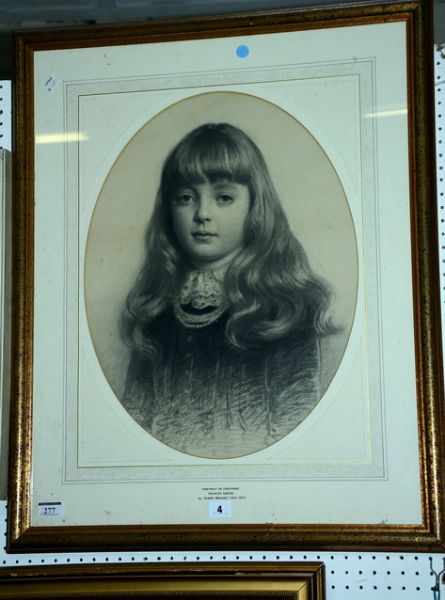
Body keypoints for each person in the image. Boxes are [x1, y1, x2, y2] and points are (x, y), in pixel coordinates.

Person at [121, 122, 334, 458]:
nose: (202, 214)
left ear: (254, 206)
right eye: (186, 198)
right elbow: (135, 417)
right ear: (168, 208)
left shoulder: (285, 308)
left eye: (223, 198)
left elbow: (296, 421)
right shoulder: (156, 308)